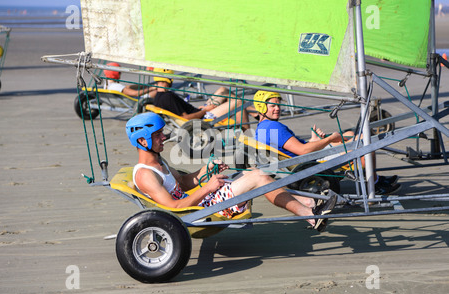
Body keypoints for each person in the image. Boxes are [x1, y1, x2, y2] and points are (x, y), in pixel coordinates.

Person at [126, 112, 338, 232]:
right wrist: (209, 186)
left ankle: (309, 205)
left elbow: (182, 183)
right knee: (257, 178)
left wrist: (206, 171)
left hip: (199, 203)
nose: (163, 137)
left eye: (162, 133)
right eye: (157, 135)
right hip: (196, 213)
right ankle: (310, 214)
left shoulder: (158, 162)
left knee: (253, 173)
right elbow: (173, 206)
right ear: (142, 140)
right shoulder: (146, 174)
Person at [253, 90, 401, 195]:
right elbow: (303, 151)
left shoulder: (263, 128)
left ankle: (374, 179)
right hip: (309, 162)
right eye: (273, 106)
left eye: (278, 105)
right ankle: (374, 185)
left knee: (350, 135)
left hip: (302, 159)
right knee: (365, 143)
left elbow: (293, 148)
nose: (277, 109)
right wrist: (328, 140)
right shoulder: (274, 127)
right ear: (262, 107)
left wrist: (315, 141)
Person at [153, 68, 250, 130]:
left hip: (201, 112)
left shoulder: (158, 97)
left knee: (223, 90)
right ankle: (245, 130)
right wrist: (204, 111)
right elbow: (185, 118)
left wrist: (202, 110)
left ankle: (251, 111)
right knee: (239, 102)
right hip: (204, 117)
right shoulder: (168, 97)